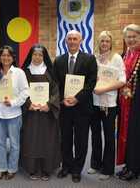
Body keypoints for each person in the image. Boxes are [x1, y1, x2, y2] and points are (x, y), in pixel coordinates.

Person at [53, 30, 97, 183]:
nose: (72, 41)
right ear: (66, 41)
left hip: (82, 107)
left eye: (75, 39)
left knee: (81, 139)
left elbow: (91, 83)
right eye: (69, 39)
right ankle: (66, 166)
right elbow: (55, 83)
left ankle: (77, 169)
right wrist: (62, 99)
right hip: (64, 106)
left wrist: (77, 98)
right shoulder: (59, 60)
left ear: (81, 41)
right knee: (65, 139)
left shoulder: (89, 59)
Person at [88, 31, 126, 180]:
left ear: (111, 43)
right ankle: (95, 164)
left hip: (109, 104)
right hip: (94, 102)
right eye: (102, 41)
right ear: (98, 42)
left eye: (107, 41)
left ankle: (108, 169)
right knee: (95, 134)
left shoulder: (116, 58)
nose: (104, 44)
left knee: (109, 137)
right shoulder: (94, 57)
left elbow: (122, 81)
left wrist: (103, 89)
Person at [20, 44, 61, 181]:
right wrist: (28, 104)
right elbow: (19, 91)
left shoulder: (50, 71)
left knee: (47, 140)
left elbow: (56, 90)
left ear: (44, 57)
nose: (37, 57)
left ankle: (46, 169)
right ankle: (31, 169)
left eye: (40, 55)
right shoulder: (24, 72)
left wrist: (49, 105)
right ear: (30, 56)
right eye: (35, 54)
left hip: (47, 114)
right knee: (31, 140)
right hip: (30, 113)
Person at [0, 46, 29, 181]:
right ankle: (2, 169)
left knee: (14, 143)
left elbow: (25, 92)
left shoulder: (19, 73)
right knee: (0, 143)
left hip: (13, 113)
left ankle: (12, 168)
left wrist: (13, 102)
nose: (5, 58)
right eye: (3, 55)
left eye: (8, 55)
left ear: (13, 58)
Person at [117, 24, 140, 181]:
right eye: (128, 37)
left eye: (134, 37)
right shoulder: (125, 54)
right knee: (125, 133)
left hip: (137, 102)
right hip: (125, 102)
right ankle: (128, 164)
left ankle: (134, 168)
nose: (131, 40)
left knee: (135, 134)